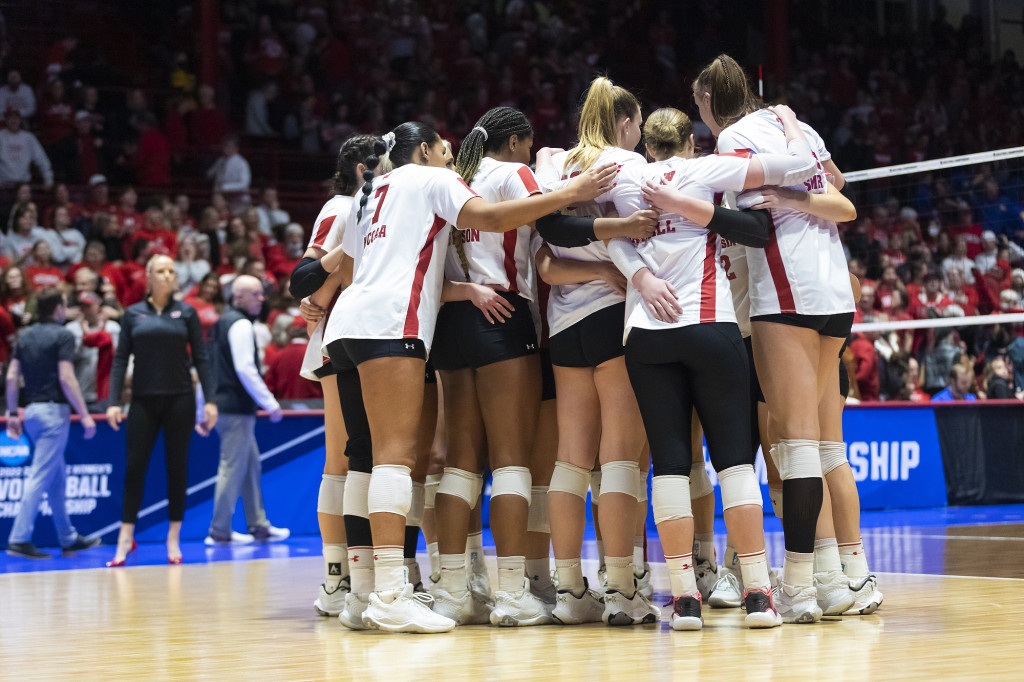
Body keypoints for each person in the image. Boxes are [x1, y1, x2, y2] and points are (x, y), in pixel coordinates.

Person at [317, 121, 615, 633]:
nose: (453, 161)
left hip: (361, 326)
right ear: (426, 150)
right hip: (428, 321)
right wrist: (573, 192)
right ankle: (505, 593)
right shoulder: (432, 178)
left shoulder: (369, 194)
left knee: (410, 461)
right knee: (497, 461)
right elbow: (496, 217)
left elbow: (349, 266)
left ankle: (426, 589)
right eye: (446, 151)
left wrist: (314, 298)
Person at [605, 103, 827, 629]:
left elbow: (601, 232)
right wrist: (793, 124)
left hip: (647, 333)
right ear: (689, 141)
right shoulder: (704, 169)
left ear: (647, 143)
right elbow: (794, 166)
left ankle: (683, 599)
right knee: (731, 461)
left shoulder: (624, 175)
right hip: (710, 327)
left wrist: (640, 278)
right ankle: (756, 594)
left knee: (670, 463)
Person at [693, 54, 854, 624]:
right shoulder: (800, 126)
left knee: (798, 448)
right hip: (836, 295)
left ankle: (802, 588)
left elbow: (751, 221)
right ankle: (837, 580)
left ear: (710, 99)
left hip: (786, 298)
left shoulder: (733, 137)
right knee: (814, 446)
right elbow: (841, 193)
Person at [105, 255, 218, 566]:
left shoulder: (187, 313)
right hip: (142, 400)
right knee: (134, 469)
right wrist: (113, 401)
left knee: (177, 468)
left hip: (180, 399)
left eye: (172, 270)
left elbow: (202, 359)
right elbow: (119, 360)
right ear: (149, 276)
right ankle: (125, 538)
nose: (168, 275)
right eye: (161, 271)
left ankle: (173, 537)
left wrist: (210, 400)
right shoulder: (132, 314)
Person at [5, 289, 99, 559]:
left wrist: (13, 412)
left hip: (31, 412)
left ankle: (67, 536)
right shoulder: (63, 335)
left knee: (57, 476)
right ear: (58, 309)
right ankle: (19, 538)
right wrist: (84, 414)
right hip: (54, 414)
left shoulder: (25, 335)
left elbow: (12, 376)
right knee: (39, 475)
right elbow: (67, 377)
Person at [206, 275, 288, 545]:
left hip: (228, 407)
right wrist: (270, 403)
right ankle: (219, 531)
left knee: (250, 464)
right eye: (255, 293)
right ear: (238, 296)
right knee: (231, 467)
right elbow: (245, 368)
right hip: (237, 409)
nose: (261, 298)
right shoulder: (240, 324)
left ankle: (258, 525)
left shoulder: (222, 322)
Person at [67, 291, 120, 413]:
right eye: (82, 307)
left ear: (98, 306)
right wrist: (84, 336)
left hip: (104, 393)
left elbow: (116, 357)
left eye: (88, 306)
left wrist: (98, 334)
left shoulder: (112, 328)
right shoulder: (72, 329)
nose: (85, 310)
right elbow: (71, 358)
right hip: (80, 393)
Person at [0, 108, 53, 188]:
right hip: (4, 185)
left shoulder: (28, 137)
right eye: (10, 118)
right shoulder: (1, 136)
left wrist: (48, 178)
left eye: (16, 118)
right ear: (6, 120)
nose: (13, 121)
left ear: (20, 119)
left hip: (23, 185)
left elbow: (41, 158)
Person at [207, 136, 252, 210]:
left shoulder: (242, 163)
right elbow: (210, 174)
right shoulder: (220, 160)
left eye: (229, 146)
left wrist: (224, 187)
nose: (226, 148)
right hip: (223, 199)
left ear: (236, 148)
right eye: (224, 145)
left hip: (239, 200)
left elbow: (244, 184)